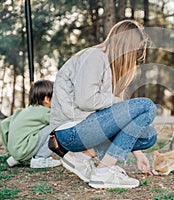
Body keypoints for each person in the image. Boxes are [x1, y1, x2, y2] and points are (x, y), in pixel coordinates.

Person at [50, 20, 157, 189]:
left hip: (87, 128)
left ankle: (83, 157)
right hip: (71, 130)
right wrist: (116, 101)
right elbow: (85, 100)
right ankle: (103, 172)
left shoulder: (108, 64)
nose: (134, 55)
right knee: (147, 106)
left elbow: (121, 120)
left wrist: (138, 154)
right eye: (135, 49)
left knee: (148, 136)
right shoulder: (95, 56)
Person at [0, 80, 61, 168]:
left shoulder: (23, 111)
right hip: (24, 150)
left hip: (16, 151)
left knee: (38, 130)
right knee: (54, 128)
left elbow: (4, 124)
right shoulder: (45, 112)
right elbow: (59, 122)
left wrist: (10, 148)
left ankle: (16, 158)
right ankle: (39, 159)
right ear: (47, 99)